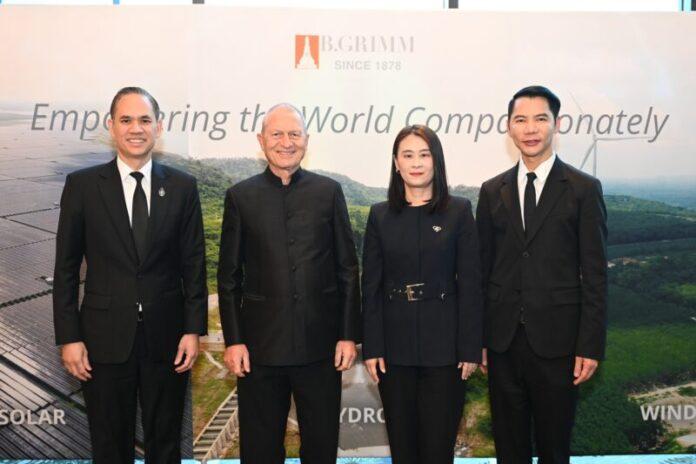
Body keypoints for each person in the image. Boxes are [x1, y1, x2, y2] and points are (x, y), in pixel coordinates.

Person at [53, 87, 207, 464]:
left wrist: (193, 330)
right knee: (109, 447)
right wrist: (69, 337)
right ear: (111, 126)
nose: (136, 128)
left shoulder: (183, 187)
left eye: (144, 120)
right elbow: (66, 269)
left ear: (159, 127)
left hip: (168, 339)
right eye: (126, 120)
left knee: (165, 445)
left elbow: (194, 265)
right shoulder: (82, 186)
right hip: (102, 341)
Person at [217, 103, 361, 464]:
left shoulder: (329, 192)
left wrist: (348, 334)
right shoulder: (240, 196)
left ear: (306, 140)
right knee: (260, 451)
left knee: (321, 448)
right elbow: (229, 277)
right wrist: (234, 340)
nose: (286, 142)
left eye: (294, 134)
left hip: (321, 347)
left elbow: (347, 268)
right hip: (259, 350)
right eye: (277, 134)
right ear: (261, 140)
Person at [476, 85, 608, 464]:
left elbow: (595, 275)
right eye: (521, 120)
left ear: (556, 124)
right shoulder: (492, 190)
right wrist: (478, 339)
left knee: (554, 447)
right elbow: (482, 271)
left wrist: (589, 345)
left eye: (540, 119)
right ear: (509, 127)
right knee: (509, 447)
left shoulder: (583, 189)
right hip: (502, 343)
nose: (530, 128)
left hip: (559, 343)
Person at [361, 124, 483, 464]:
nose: (416, 163)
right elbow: (371, 286)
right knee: (403, 449)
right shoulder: (380, 215)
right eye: (408, 155)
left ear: (436, 161)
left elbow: (471, 284)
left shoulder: (459, 211)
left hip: (446, 351)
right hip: (393, 351)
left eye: (424, 155)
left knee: (437, 450)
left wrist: (470, 347)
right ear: (396, 163)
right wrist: (373, 347)